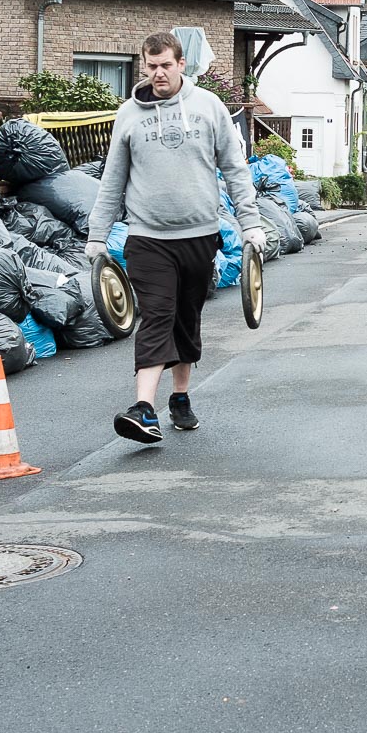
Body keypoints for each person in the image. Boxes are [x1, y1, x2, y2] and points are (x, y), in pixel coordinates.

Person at [87, 31, 266, 443]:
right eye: (151, 66)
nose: (158, 74)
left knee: (187, 319)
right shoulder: (129, 115)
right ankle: (143, 408)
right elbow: (112, 181)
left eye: (165, 65)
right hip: (147, 236)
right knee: (157, 316)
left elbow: (236, 170)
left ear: (182, 64)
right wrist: (97, 236)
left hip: (200, 235)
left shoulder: (208, 108)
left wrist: (250, 223)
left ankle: (180, 398)